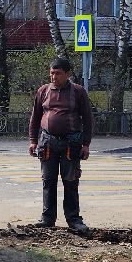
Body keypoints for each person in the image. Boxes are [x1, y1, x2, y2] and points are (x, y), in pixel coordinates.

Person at [28, 55, 93, 231]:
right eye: (51, 73)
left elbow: (88, 119)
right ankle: (47, 219)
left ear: (67, 74)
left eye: (58, 73)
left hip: (71, 144)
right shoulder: (43, 91)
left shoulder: (78, 92)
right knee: (48, 181)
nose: (53, 76)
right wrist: (33, 141)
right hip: (47, 143)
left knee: (70, 182)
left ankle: (74, 220)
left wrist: (86, 144)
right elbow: (35, 117)